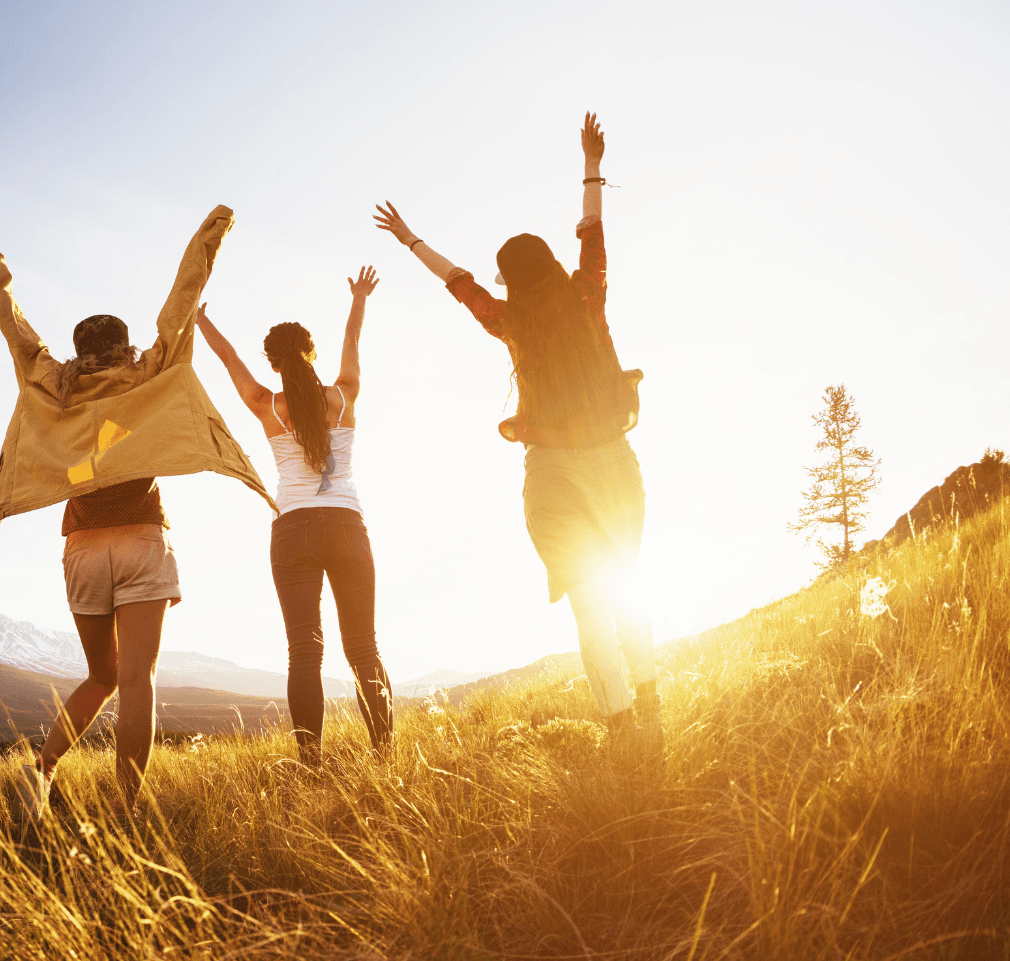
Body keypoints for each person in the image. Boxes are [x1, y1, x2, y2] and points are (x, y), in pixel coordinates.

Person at [0, 207, 276, 819]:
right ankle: (127, 808)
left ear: (80, 348)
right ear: (123, 343)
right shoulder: (148, 374)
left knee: (99, 677)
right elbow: (180, 307)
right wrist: (208, 237)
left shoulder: (53, 384)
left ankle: (42, 771)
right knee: (137, 683)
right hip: (141, 539)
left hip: (82, 548)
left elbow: (18, 335)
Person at [372, 112, 661, 763]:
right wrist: (591, 166)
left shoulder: (511, 322)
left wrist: (412, 239)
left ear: (510, 280)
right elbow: (593, 232)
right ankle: (650, 708)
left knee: (591, 605)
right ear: (552, 266)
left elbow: (459, 285)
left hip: (555, 476)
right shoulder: (588, 295)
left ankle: (621, 732)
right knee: (626, 583)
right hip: (615, 464)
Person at [194, 267, 394, 768]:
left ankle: (311, 764)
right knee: (363, 648)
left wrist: (200, 321)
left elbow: (227, 359)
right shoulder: (344, 395)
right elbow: (352, 339)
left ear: (274, 362)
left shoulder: (266, 404)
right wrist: (359, 298)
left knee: (304, 651)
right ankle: (387, 755)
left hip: (293, 530)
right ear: (311, 353)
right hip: (348, 526)